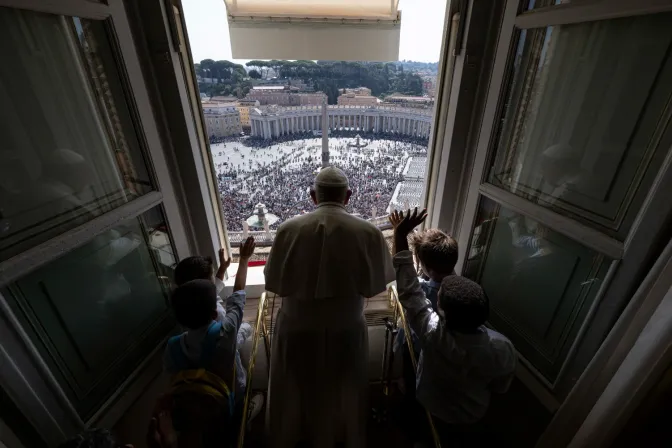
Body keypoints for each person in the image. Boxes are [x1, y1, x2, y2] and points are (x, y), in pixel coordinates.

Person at [264, 166, 395, 448]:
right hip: (346, 328)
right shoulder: (370, 232)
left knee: (295, 393)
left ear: (313, 196)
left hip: (296, 327)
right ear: (348, 196)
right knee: (344, 392)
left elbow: (274, 282)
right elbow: (377, 284)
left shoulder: (287, 230)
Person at [389, 208, 516, 446]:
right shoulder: (503, 347)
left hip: (433, 409)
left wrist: (400, 233)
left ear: (443, 313)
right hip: (473, 417)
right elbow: (499, 387)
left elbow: (409, 290)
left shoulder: (433, 334)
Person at [163, 237, 260, 444]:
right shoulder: (225, 333)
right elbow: (238, 297)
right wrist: (244, 259)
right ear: (215, 313)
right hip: (232, 396)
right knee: (238, 429)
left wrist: (224, 269)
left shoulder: (172, 347)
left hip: (194, 409)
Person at [393, 227, 458, 413]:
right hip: (444, 363)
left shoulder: (422, 290)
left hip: (416, 349)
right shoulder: (461, 288)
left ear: (427, 268)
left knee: (411, 387)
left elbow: (404, 278)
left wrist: (400, 234)